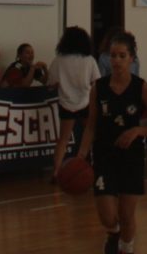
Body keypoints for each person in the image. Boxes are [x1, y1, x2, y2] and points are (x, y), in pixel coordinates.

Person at [75, 31, 147, 254]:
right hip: (104, 154)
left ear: (131, 58)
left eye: (122, 56)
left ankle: (127, 248)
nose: (116, 60)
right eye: (113, 55)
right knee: (106, 215)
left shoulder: (142, 88)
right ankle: (113, 232)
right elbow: (91, 126)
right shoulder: (99, 87)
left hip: (132, 156)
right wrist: (81, 155)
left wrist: (138, 130)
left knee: (126, 214)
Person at [47, 26, 101, 179]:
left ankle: (56, 172)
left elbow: (51, 84)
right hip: (86, 101)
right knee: (91, 135)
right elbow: (97, 82)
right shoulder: (89, 60)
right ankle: (96, 166)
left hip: (66, 103)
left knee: (63, 140)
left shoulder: (58, 60)